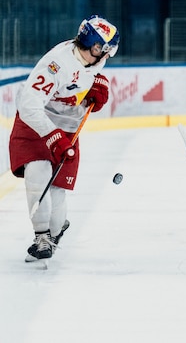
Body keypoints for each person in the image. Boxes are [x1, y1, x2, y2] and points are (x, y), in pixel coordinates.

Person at [9, 15, 119, 263]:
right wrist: (51, 136)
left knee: (58, 192)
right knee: (38, 176)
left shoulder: (89, 57)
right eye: (105, 51)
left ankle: (54, 231)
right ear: (95, 46)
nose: (106, 57)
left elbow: (84, 77)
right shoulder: (56, 65)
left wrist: (94, 86)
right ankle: (41, 236)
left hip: (67, 127)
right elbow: (29, 106)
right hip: (36, 124)